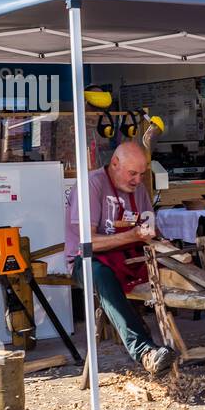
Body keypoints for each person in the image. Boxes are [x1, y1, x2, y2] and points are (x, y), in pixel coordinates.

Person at [66, 141, 175, 375]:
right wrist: (131, 235)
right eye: (132, 173)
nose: (137, 180)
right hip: (87, 260)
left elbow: (149, 228)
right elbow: (88, 242)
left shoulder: (139, 189)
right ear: (114, 163)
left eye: (142, 174)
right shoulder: (91, 185)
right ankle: (144, 350)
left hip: (128, 257)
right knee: (101, 275)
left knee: (175, 267)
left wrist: (160, 241)